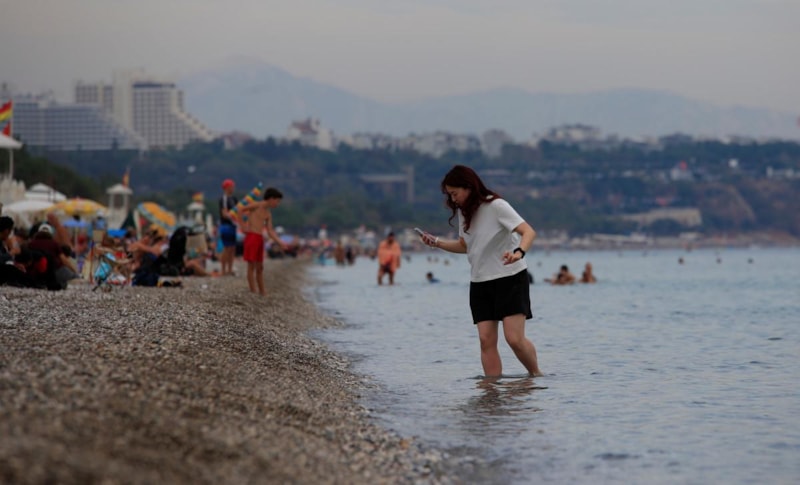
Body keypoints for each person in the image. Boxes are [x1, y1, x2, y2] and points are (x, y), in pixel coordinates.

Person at [417, 165, 543, 378]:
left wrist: (519, 252)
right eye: (449, 195)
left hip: (510, 277)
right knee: (486, 340)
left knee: (514, 339)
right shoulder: (464, 212)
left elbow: (528, 231)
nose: (453, 199)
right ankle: (491, 389)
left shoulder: (497, 205)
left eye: (455, 193)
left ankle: (535, 376)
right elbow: (466, 246)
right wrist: (437, 243)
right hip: (480, 281)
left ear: (468, 187)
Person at [239, 187, 288, 296]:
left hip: (260, 238)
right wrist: (242, 226)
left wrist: (280, 242)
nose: (277, 204)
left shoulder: (268, 213)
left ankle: (262, 291)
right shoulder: (256, 205)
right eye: (277, 201)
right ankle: (253, 290)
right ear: (271, 199)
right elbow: (241, 210)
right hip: (252, 236)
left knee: (260, 267)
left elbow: (270, 231)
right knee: (251, 265)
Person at [218, 179, 239, 276]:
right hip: (226, 225)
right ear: (226, 187)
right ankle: (223, 270)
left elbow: (239, 210)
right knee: (226, 248)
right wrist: (233, 217)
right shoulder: (224, 198)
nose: (233, 188)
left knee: (232, 248)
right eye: (231, 186)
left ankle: (230, 269)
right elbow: (224, 213)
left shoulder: (234, 199)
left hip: (233, 225)